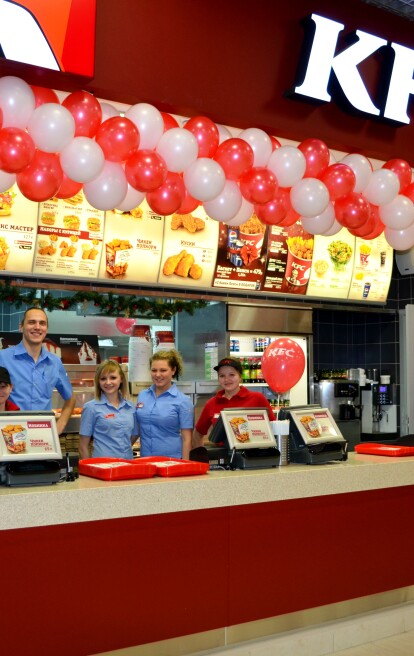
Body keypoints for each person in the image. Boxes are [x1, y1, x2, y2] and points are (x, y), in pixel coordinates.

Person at [0, 307, 75, 433]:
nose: (37, 327)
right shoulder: (2, 358)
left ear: (46, 329)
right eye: (31, 322)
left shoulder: (54, 362)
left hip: (42, 434)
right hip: (10, 432)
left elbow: (70, 398)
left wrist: (59, 427)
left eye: (42, 323)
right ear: (21, 327)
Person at [192, 357, 276, 448]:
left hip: (253, 454)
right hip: (223, 455)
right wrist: (200, 455)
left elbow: (275, 428)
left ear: (240, 376)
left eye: (231, 375)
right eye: (222, 376)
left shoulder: (257, 399)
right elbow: (198, 433)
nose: (226, 379)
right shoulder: (211, 403)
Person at [136, 349, 194, 460]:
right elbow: (137, 429)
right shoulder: (143, 395)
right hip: (145, 460)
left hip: (171, 461)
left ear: (173, 370)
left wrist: (185, 464)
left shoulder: (183, 401)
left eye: (163, 370)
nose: (158, 375)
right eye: (154, 370)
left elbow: (187, 439)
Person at [79, 359, 138, 460]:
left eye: (113, 378)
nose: (108, 382)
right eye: (103, 379)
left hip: (127, 464)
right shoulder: (91, 408)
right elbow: (83, 446)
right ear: (98, 381)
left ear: (121, 379)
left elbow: (134, 435)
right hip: (102, 465)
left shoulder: (131, 407)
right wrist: (89, 468)